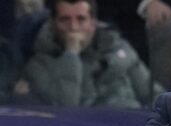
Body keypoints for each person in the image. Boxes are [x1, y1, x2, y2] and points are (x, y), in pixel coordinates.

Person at [20, 0, 162, 108]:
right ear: (53, 24)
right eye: (65, 20)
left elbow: (153, 95)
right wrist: (71, 54)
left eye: (81, 19)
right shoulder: (39, 64)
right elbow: (65, 107)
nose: (73, 27)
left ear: (93, 23)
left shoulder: (119, 51)